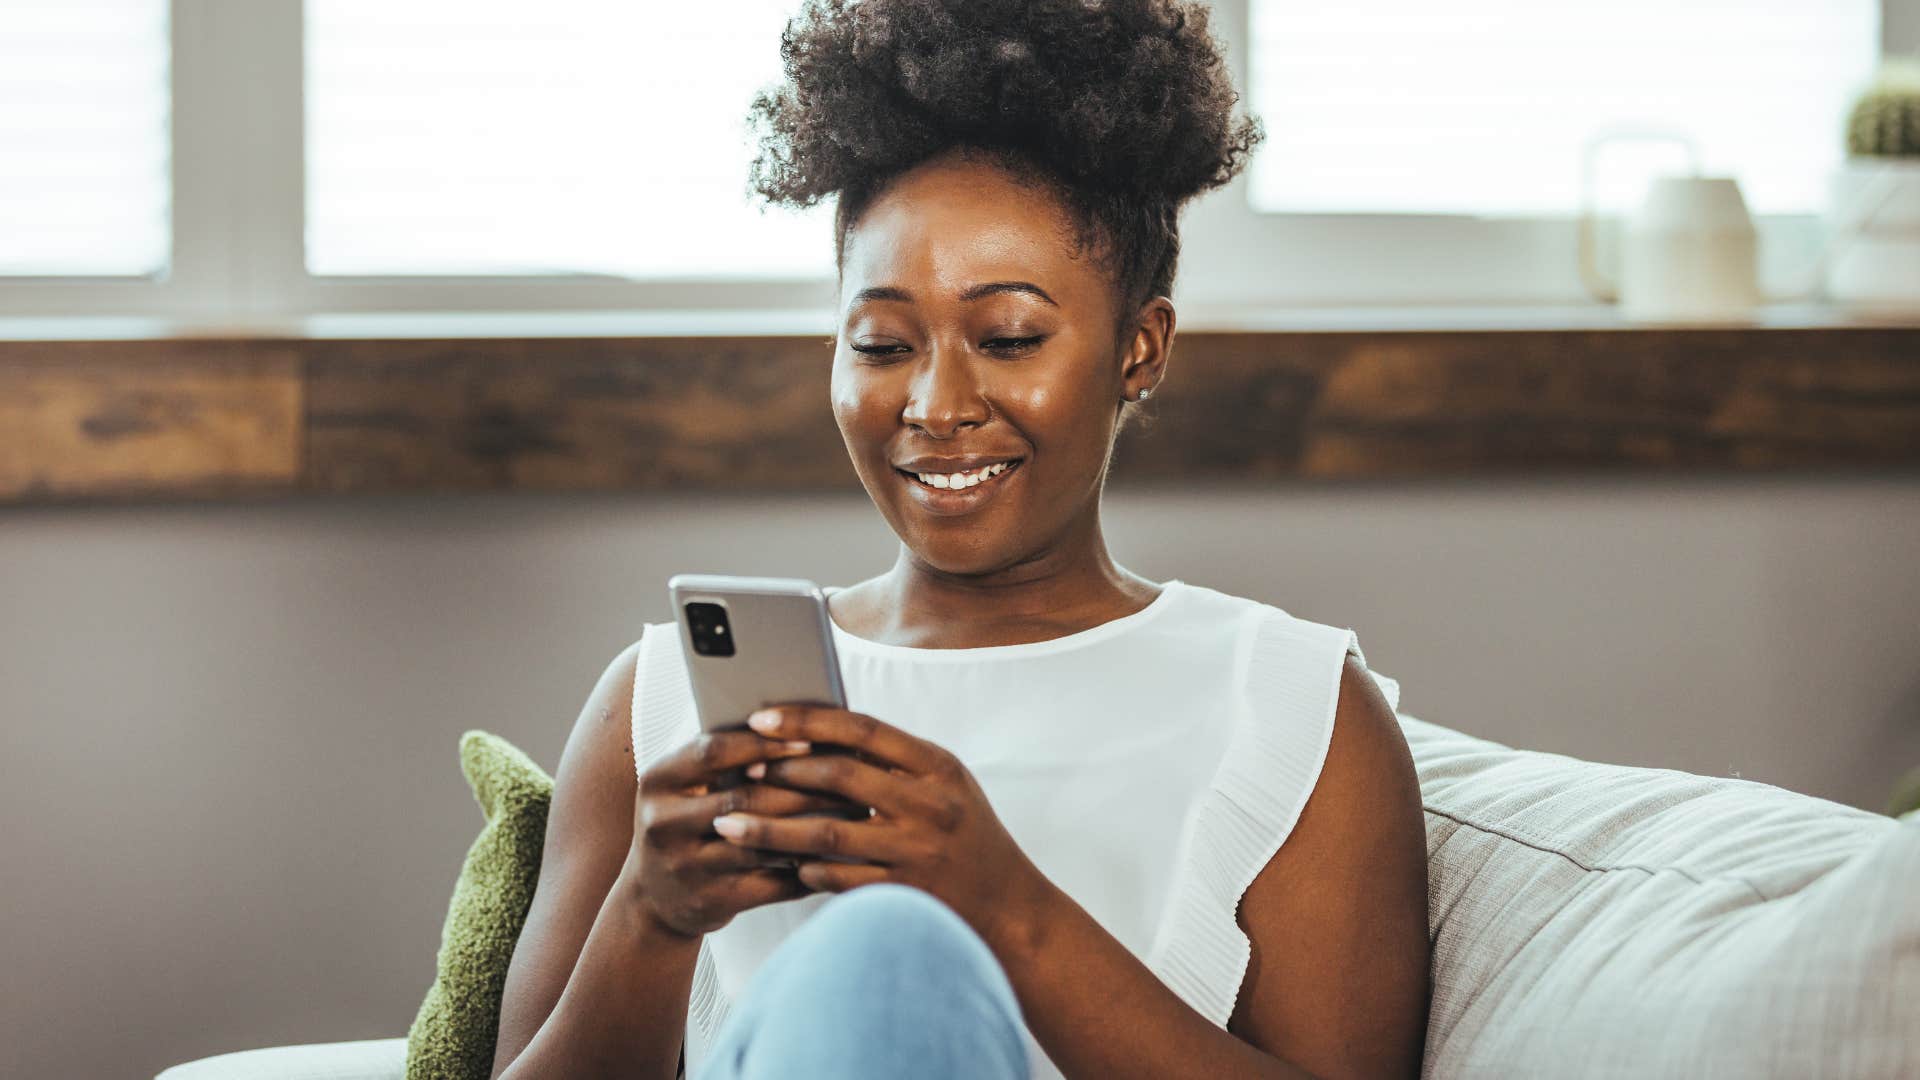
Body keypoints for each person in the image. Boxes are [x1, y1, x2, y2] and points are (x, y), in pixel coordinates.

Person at [489, 1, 1431, 1077]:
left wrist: (1007, 908)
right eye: (883, 342)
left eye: (1011, 336)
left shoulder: (1293, 711)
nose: (936, 403)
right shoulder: (655, 710)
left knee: (886, 954)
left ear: (1141, 347)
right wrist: (649, 921)